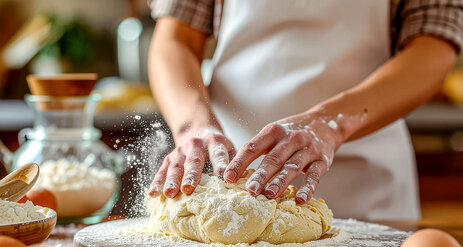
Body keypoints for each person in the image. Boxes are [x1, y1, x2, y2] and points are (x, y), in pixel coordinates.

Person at [147, 0, 462, 220]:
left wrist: (331, 124)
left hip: (368, 186)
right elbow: (176, 40)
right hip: (235, 179)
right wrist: (194, 128)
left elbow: (433, 49)